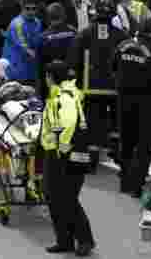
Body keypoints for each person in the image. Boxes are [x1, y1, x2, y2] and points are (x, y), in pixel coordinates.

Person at [40, 60, 95, 257]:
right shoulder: (60, 95)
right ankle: (64, 240)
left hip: (65, 155)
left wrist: (61, 150)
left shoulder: (64, 97)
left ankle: (85, 240)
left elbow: (69, 125)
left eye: (47, 76)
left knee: (66, 199)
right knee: (54, 198)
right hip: (60, 153)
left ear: (51, 78)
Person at [68, 0, 127, 167]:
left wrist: (75, 83)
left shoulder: (84, 34)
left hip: (90, 88)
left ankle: (91, 159)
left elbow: (73, 61)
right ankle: (117, 154)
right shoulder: (122, 36)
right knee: (116, 123)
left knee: (92, 121)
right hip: (115, 88)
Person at [112, 15, 151, 198]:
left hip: (124, 99)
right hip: (146, 101)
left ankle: (125, 181)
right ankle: (137, 184)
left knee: (126, 141)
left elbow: (114, 67)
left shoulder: (122, 46)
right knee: (144, 144)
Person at [1, 0, 43, 84]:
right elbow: (25, 48)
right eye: (27, 9)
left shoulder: (37, 23)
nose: (31, 12)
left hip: (30, 72)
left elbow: (38, 43)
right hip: (14, 72)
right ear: (22, 8)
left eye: (34, 9)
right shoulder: (17, 24)